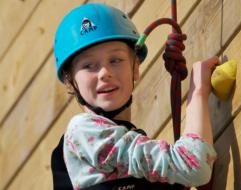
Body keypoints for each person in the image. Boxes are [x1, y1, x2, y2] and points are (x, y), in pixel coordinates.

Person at [51, 3, 217, 190]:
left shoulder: (130, 154)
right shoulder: (82, 131)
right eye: (89, 66)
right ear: (69, 82)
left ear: (135, 67)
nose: (104, 72)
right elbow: (194, 167)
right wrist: (198, 92)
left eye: (115, 60)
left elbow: (194, 173)